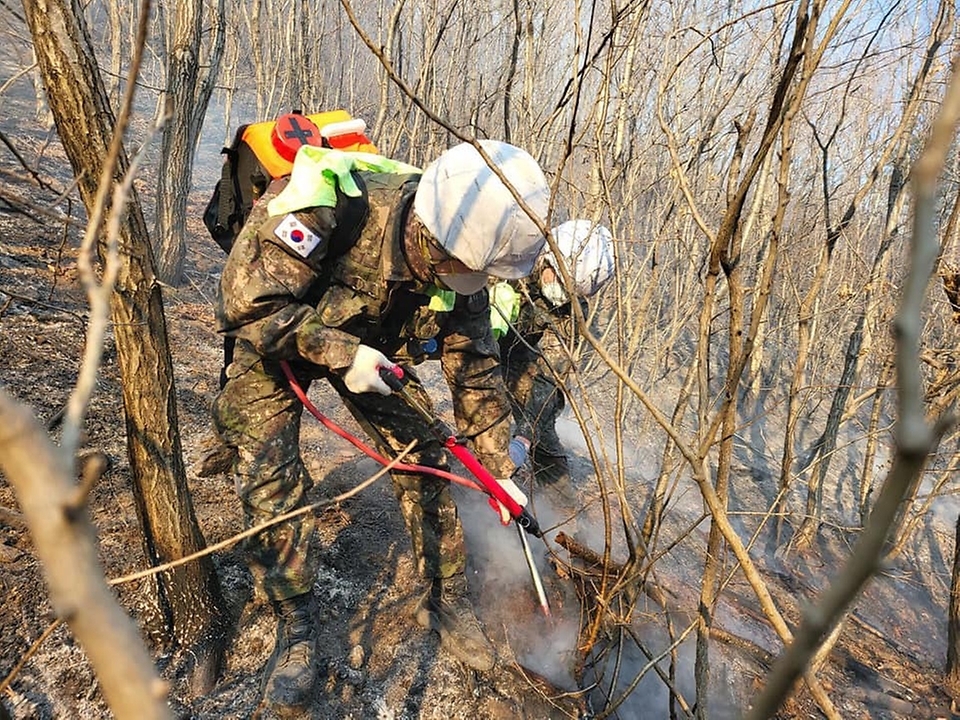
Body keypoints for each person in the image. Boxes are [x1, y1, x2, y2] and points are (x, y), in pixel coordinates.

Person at [211, 139, 550, 713]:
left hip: (372, 352)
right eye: (464, 271)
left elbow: (475, 372)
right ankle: (294, 630)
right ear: (434, 241)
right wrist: (340, 352)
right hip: (278, 337)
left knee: (427, 457)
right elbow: (245, 306)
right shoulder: (328, 205)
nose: (466, 283)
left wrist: (498, 469)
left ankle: (442, 599)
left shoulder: (464, 265)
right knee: (272, 476)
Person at [491, 219, 615, 508]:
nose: (563, 293)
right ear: (548, 257)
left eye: (575, 291)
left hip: (516, 353)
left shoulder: (571, 311)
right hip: (463, 331)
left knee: (540, 426)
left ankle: (564, 519)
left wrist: (523, 436)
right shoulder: (509, 255)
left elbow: (551, 378)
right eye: (561, 282)